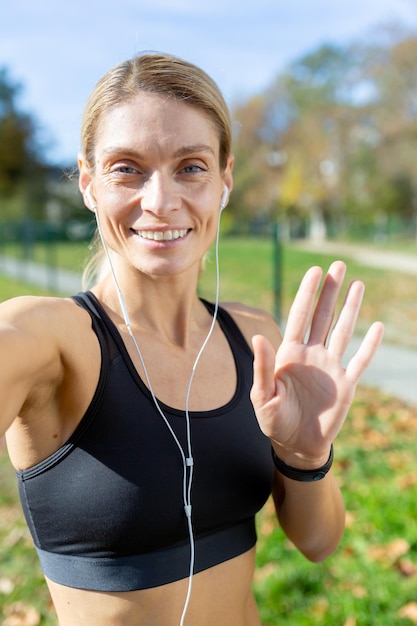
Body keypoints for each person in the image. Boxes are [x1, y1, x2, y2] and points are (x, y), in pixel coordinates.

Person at [0, 52, 384, 626]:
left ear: (224, 181)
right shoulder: (50, 338)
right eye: (126, 167)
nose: (160, 200)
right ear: (87, 183)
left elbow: (319, 542)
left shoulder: (254, 338)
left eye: (191, 167)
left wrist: (305, 455)